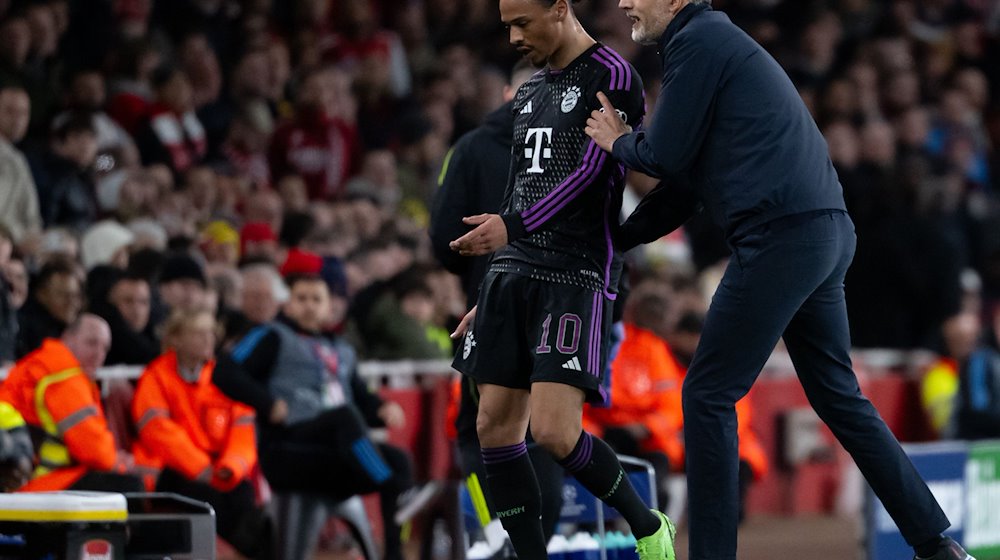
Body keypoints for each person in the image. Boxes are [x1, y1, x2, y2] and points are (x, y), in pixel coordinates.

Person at [583, 1, 972, 559]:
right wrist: (616, 240)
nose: (622, 2)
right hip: (823, 233)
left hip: (781, 237)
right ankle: (936, 545)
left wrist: (619, 139)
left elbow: (662, 154)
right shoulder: (715, 43)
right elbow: (686, 186)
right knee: (839, 397)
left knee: (708, 392)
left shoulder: (697, 42)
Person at [446, 1, 674, 559]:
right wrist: (489, 291)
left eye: (522, 22)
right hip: (512, 274)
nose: (514, 37)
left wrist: (513, 227)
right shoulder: (528, 93)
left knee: (553, 431)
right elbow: (518, 191)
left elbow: (596, 174)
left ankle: (648, 526)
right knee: (493, 426)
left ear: (560, 8)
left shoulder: (614, 75)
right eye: (506, 27)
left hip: (574, 273)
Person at [430, 59, 566, 554]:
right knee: (548, 431)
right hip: (564, 315)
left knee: (482, 432)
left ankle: (496, 536)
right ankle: (537, 541)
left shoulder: (468, 149)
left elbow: (442, 237)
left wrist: (473, 272)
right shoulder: (579, 146)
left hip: (489, 311)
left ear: (510, 92)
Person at [214, 274, 417, 560]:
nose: (309, 306)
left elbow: (362, 398)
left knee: (399, 459)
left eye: (316, 299)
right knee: (348, 423)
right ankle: (386, 482)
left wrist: (382, 409)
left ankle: (394, 554)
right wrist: (267, 402)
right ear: (288, 305)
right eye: (302, 299)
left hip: (338, 455)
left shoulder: (342, 349)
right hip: (289, 451)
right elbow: (224, 371)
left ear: (328, 307)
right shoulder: (271, 335)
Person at [132, 309, 267, 558]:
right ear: (176, 339)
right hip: (174, 471)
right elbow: (158, 432)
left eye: (211, 333)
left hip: (219, 470)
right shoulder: (157, 377)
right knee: (208, 501)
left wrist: (230, 468)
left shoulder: (226, 378)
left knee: (246, 498)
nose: (207, 340)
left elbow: (243, 433)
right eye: (198, 333)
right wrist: (201, 469)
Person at [0, 314, 142, 492]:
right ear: (67, 338)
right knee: (129, 484)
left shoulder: (43, 364)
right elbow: (94, 451)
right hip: (37, 483)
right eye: (91, 342)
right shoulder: (64, 376)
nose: (99, 354)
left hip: (16, 478)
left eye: (105, 348)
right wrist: (120, 463)